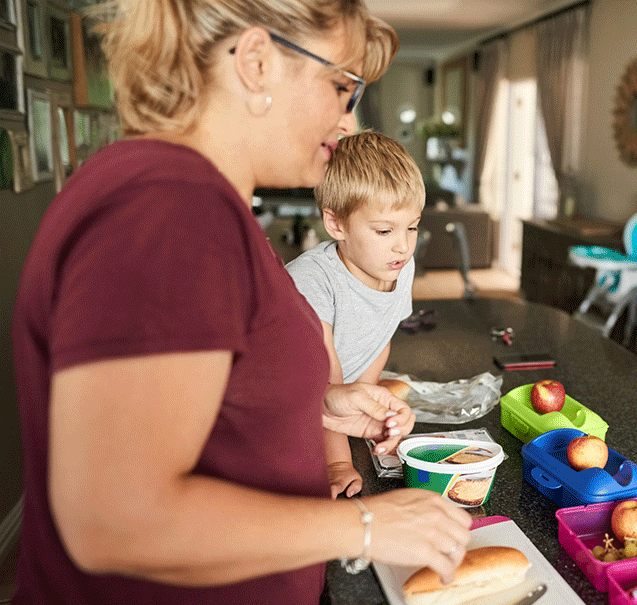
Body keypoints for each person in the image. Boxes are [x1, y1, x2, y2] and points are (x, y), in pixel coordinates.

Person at [10, 2, 472, 603]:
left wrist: (321, 403)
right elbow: (114, 520)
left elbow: (214, 397)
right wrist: (366, 526)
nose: (347, 118)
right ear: (255, 61)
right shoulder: (170, 210)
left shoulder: (199, 202)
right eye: (340, 86)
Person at [286, 130, 424, 498]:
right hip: (287, 413)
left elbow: (381, 335)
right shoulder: (313, 281)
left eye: (412, 227)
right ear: (336, 225)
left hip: (331, 401)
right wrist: (337, 464)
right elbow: (324, 384)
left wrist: (369, 399)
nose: (403, 245)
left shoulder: (396, 265)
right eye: (384, 230)